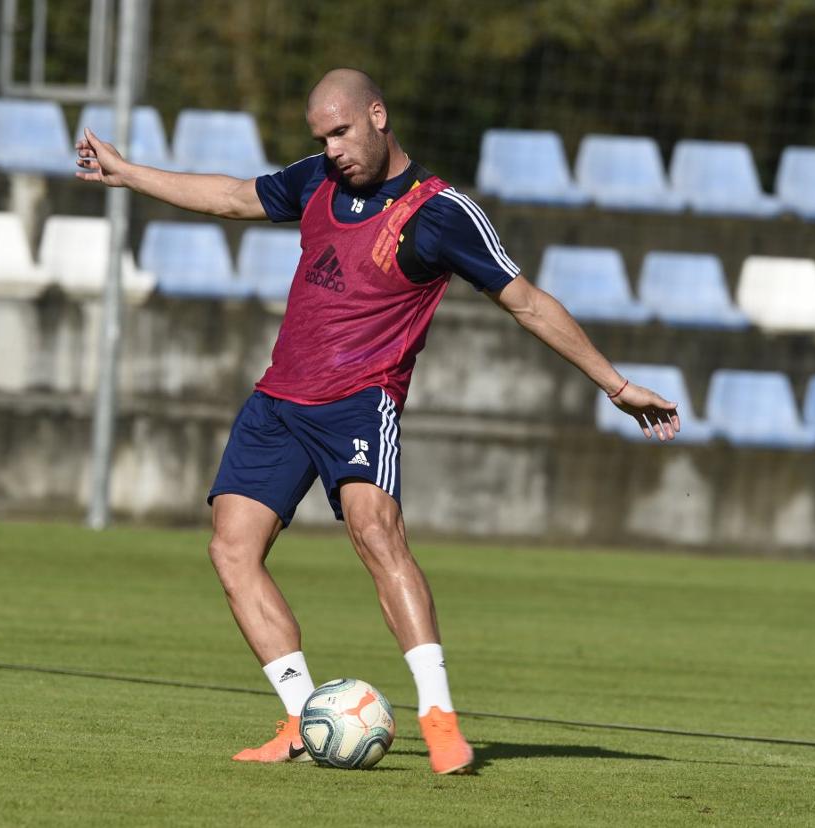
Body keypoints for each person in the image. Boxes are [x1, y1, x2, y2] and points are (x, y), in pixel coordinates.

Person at [76, 68, 680, 775]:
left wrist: (615, 384)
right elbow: (235, 196)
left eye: (341, 132)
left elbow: (528, 303)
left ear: (378, 116)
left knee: (374, 531)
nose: (332, 149)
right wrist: (128, 174)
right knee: (230, 551)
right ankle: (302, 717)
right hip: (278, 401)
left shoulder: (440, 213)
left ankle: (439, 717)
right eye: (321, 138)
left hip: (361, 402)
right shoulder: (317, 182)